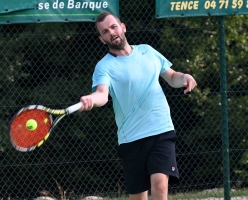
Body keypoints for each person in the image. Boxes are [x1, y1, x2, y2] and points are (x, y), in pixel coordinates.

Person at [79, 12, 197, 200]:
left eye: (114, 27)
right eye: (105, 31)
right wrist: (91, 99)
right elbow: (102, 94)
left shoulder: (147, 51)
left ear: (123, 27)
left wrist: (185, 77)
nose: (112, 33)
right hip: (131, 138)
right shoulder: (104, 67)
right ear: (102, 39)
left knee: (160, 185)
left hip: (161, 129)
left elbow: (172, 77)